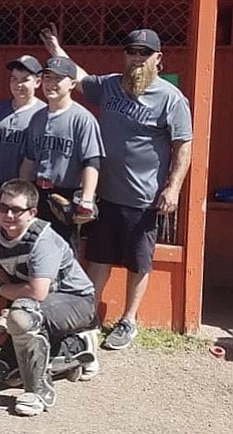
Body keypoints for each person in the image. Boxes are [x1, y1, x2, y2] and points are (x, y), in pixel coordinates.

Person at [41, 26, 193, 349]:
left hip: (144, 198)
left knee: (139, 262)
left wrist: (174, 187)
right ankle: (87, 316)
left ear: (158, 59)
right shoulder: (110, 86)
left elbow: (183, 145)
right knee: (98, 258)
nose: (137, 58)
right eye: (132, 52)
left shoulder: (171, 98)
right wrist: (57, 48)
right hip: (104, 194)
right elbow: (77, 78)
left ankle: (128, 320)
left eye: (144, 53)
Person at [0, 179, 98, 417]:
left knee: (24, 316)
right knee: (3, 372)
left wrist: (1, 294)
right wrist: (6, 316)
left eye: (16, 210)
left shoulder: (42, 239)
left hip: (76, 301)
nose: (8, 215)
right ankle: (76, 348)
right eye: (3, 208)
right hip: (34, 303)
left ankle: (38, 391)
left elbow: (37, 292)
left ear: (32, 212)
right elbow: (7, 278)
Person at [18, 56, 104, 255]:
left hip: (66, 197)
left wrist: (87, 199)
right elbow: (29, 160)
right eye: (47, 77)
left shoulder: (82, 119)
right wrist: (22, 193)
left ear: (72, 83)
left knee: (63, 255)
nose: (51, 84)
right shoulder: (37, 117)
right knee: (31, 253)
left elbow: (92, 162)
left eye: (58, 79)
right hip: (38, 194)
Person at [0, 55, 46, 206]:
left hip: (25, 192)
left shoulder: (44, 113)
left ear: (37, 82)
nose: (18, 85)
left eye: (25, 79)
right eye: (14, 79)